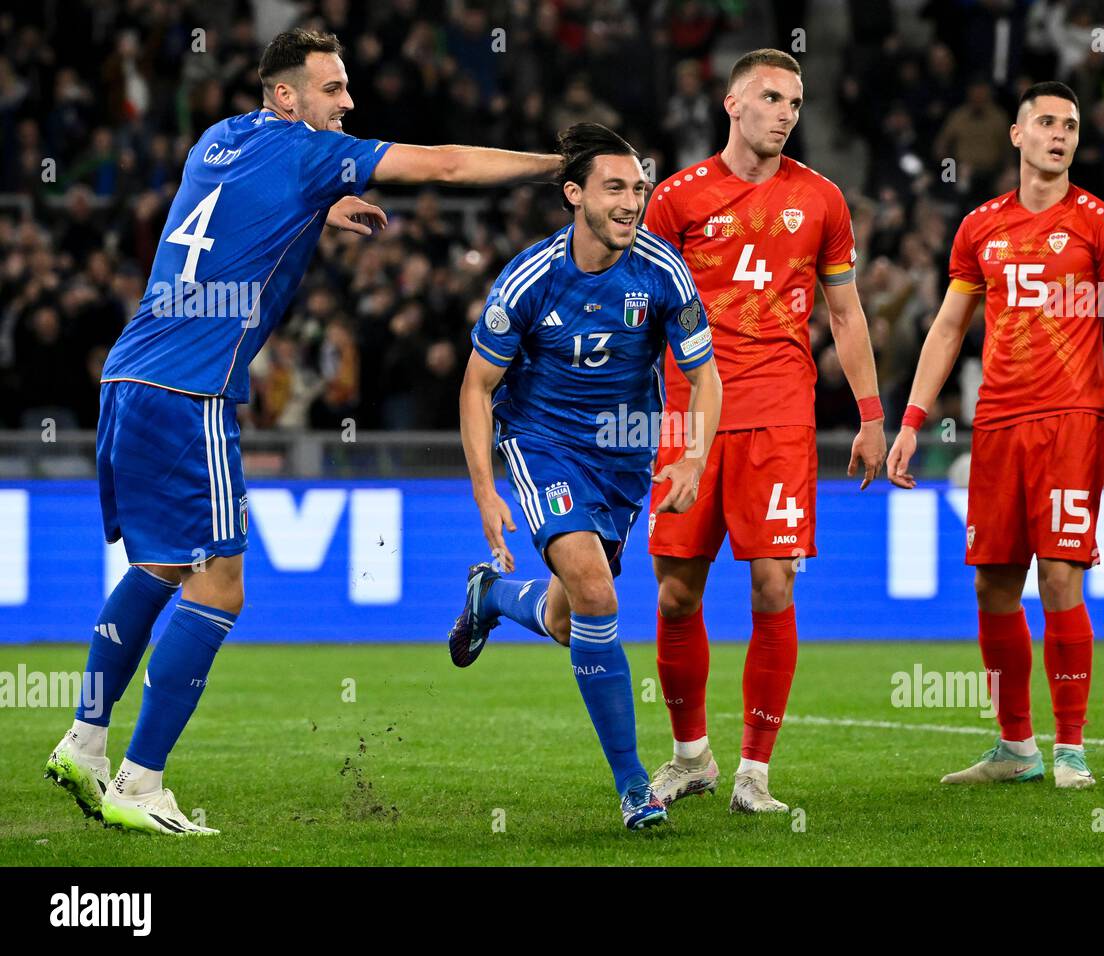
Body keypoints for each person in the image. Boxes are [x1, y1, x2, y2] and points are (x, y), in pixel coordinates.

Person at [45, 28, 562, 835]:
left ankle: (84, 741)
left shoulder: (218, 140)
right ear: (285, 97)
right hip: (190, 390)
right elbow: (451, 164)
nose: (348, 103)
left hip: (129, 373)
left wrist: (323, 203)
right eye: (333, 89)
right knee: (220, 584)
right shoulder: (307, 153)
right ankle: (141, 785)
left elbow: (241, 213)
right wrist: (555, 166)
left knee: (154, 567)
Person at [450, 123, 723, 830]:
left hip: (626, 460)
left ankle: (493, 599)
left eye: (639, 187)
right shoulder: (529, 280)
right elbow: (477, 388)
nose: (633, 201)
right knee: (599, 595)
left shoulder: (663, 270)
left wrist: (692, 453)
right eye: (615, 188)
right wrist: (485, 491)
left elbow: (706, 376)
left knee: (573, 618)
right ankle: (635, 787)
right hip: (543, 446)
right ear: (575, 195)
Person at [642, 49, 887, 813]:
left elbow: (845, 314)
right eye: (772, 98)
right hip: (692, 417)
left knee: (775, 581)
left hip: (781, 412)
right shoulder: (675, 201)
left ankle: (755, 771)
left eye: (796, 102)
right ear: (733, 104)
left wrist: (873, 414)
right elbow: (641, 314)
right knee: (678, 592)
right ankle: (691, 758)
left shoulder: (821, 200)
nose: (786, 113)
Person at [887, 81, 1104, 789]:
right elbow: (947, 328)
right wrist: (911, 420)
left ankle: (1071, 749)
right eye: (1046, 122)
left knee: (1061, 577)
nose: (1060, 133)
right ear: (1016, 135)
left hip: (1072, 423)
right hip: (997, 424)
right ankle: (1015, 748)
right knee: (994, 586)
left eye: (1070, 124)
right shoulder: (979, 227)